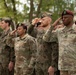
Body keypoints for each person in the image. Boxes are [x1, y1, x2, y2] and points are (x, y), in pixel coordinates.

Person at [43, 9, 76, 75]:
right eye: (62, 18)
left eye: (66, 17)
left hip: (74, 67)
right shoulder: (59, 31)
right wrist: (52, 26)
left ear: (72, 18)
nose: (63, 19)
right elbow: (46, 38)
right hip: (62, 67)